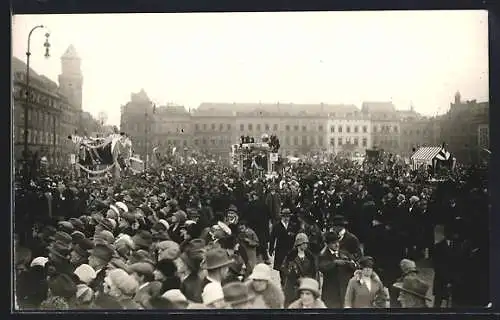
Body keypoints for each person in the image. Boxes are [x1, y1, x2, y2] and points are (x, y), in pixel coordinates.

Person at [318, 231, 357, 308]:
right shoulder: (323, 255)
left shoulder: (345, 253)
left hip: (345, 291)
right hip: (331, 294)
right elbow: (322, 267)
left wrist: (349, 263)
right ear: (327, 244)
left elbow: (355, 266)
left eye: (337, 242)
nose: (337, 245)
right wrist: (335, 263)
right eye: (333, 243)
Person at [281, 233, 318, 305]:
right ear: (298, 243)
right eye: (304, 243)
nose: (306, 245)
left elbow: (313, 271)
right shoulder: (290, 256)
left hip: (306, 285)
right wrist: (295, 277)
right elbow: (284, 269)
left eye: (306, 243)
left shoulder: (310, 256)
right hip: (292, 286)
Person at [269, 208, 297, 284]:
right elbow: (272, 238)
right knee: (282, 269)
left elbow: (295, 238)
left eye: (288, 216)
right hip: (280, 250)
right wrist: (271, 249)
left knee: (290, 268)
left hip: (290, 250)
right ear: (281, 217)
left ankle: (288, 285)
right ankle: (283, 284)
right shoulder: (277, 226)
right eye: (284, 216)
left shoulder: (293, 226)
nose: (286, 218)